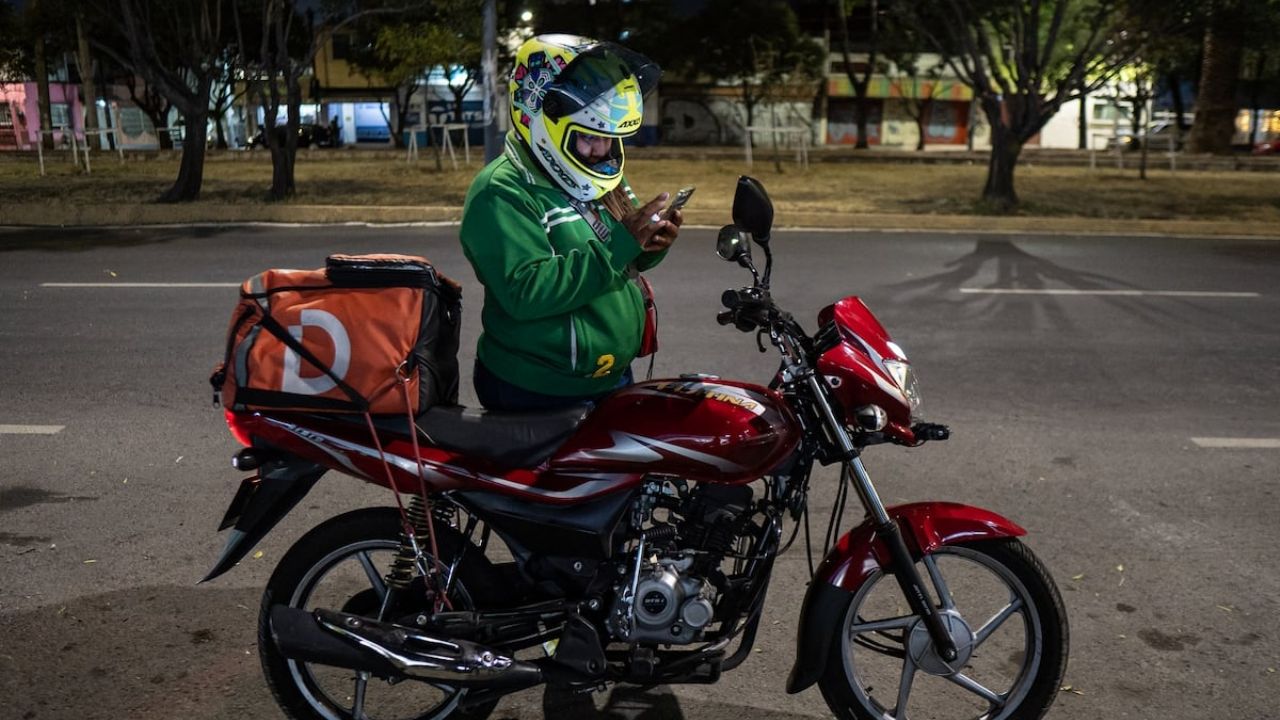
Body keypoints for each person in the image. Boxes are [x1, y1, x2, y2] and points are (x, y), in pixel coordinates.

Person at [459, 34, 681, 412]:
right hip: (537, 389)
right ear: (546, 122)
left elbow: (619, 259)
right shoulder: (500, 192)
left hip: (608, 376)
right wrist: (620, 245)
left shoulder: (596, 173)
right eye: (590, 138)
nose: (602, 152)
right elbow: (525, 293)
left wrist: (648, 246)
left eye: (610, 139)